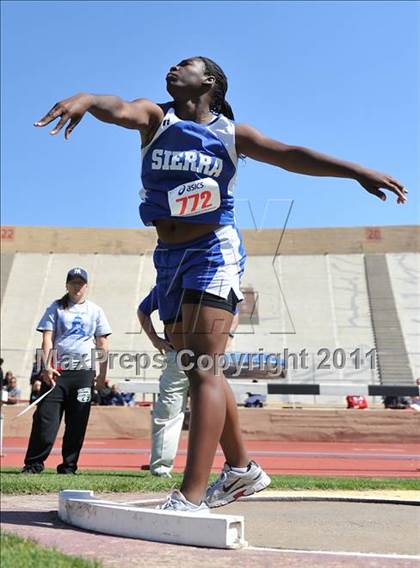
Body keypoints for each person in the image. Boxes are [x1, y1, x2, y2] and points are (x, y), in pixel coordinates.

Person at [34, 56, 407, 510]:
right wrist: (88, 99)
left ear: (208, 81)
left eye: (183, 66)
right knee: (196, 365)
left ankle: (191, 495)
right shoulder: (156, 118)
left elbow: (291, 155)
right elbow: (119, 107)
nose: (170, 69)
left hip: (214, 249)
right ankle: (241, 470)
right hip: (168, 257)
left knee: (204, 367)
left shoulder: (233, 134)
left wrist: (355, 171)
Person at [138, 286, 239, 479]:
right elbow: (143, 311)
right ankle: (161, 468)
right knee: (169, 410)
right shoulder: (168, 284)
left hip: (205, 357)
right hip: (178, 354)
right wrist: (155, 340)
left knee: (213, 410)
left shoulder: (203, 283)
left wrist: (229, 336)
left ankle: (232, 465)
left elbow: (234, 311)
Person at [21, 267, 112, 474]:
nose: (77, 286)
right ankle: (33, 464)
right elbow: (47, 338)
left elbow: (103, 343)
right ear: (67, 285)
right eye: (73, 282)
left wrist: (102, 376)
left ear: (86, 286)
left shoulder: (95, 311)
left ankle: (69, 466)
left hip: (83, 373)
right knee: (45, 419)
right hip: (57, 372)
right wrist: (46, 366)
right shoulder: (56, 307)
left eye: (80, 283)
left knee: (77, 422)